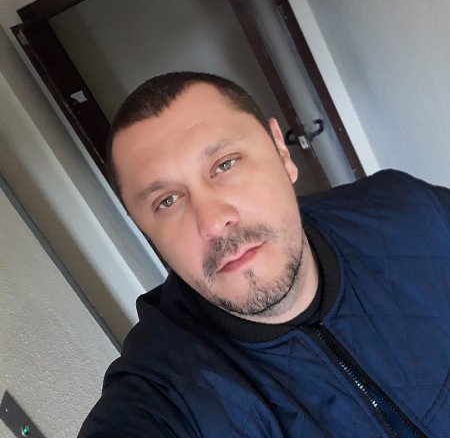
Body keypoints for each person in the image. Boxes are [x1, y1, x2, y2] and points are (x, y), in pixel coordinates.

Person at [78, 71, 450, 438]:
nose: (213, 222)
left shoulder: (408, 210)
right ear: (146, 230)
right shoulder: (163, 391)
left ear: (281, 152)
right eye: (167, 201)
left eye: (225, 164)